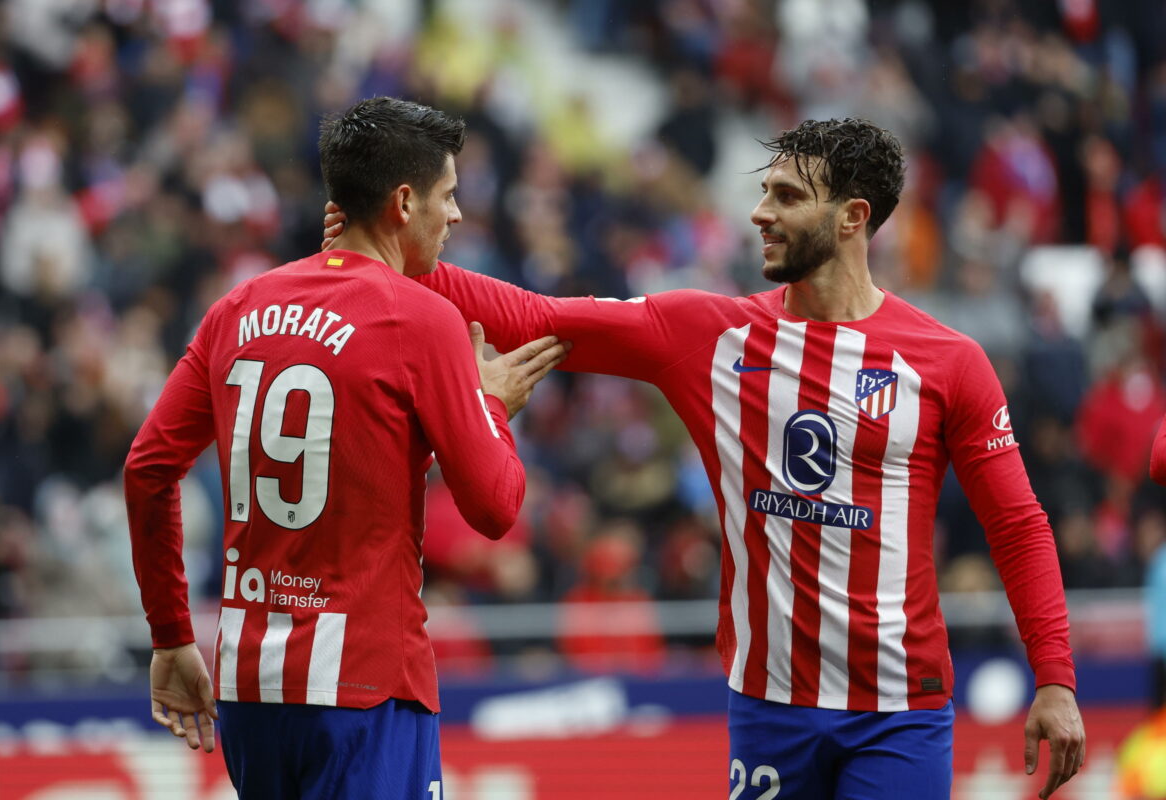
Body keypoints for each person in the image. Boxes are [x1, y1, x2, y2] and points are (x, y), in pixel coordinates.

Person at [325, 116, 1086, 799]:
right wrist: (384, 249)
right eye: (764, 192)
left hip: (898, 714)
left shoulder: (948, 363)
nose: (760, 212)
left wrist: (1054, 677)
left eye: (787, 197)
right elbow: (537, 315)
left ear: (854, 218)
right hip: (769, 708)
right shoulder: (710, 336)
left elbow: (1017, 524)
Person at [124, 97, 567, 799]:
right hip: (367, 686)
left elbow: (148, 468)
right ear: (403, 202)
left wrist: (172, 635)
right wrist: (492, 405)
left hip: (251, 692)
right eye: (448, 196)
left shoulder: (236, 308)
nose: (456, 215)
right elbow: (495, 508)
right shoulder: (423, 318)